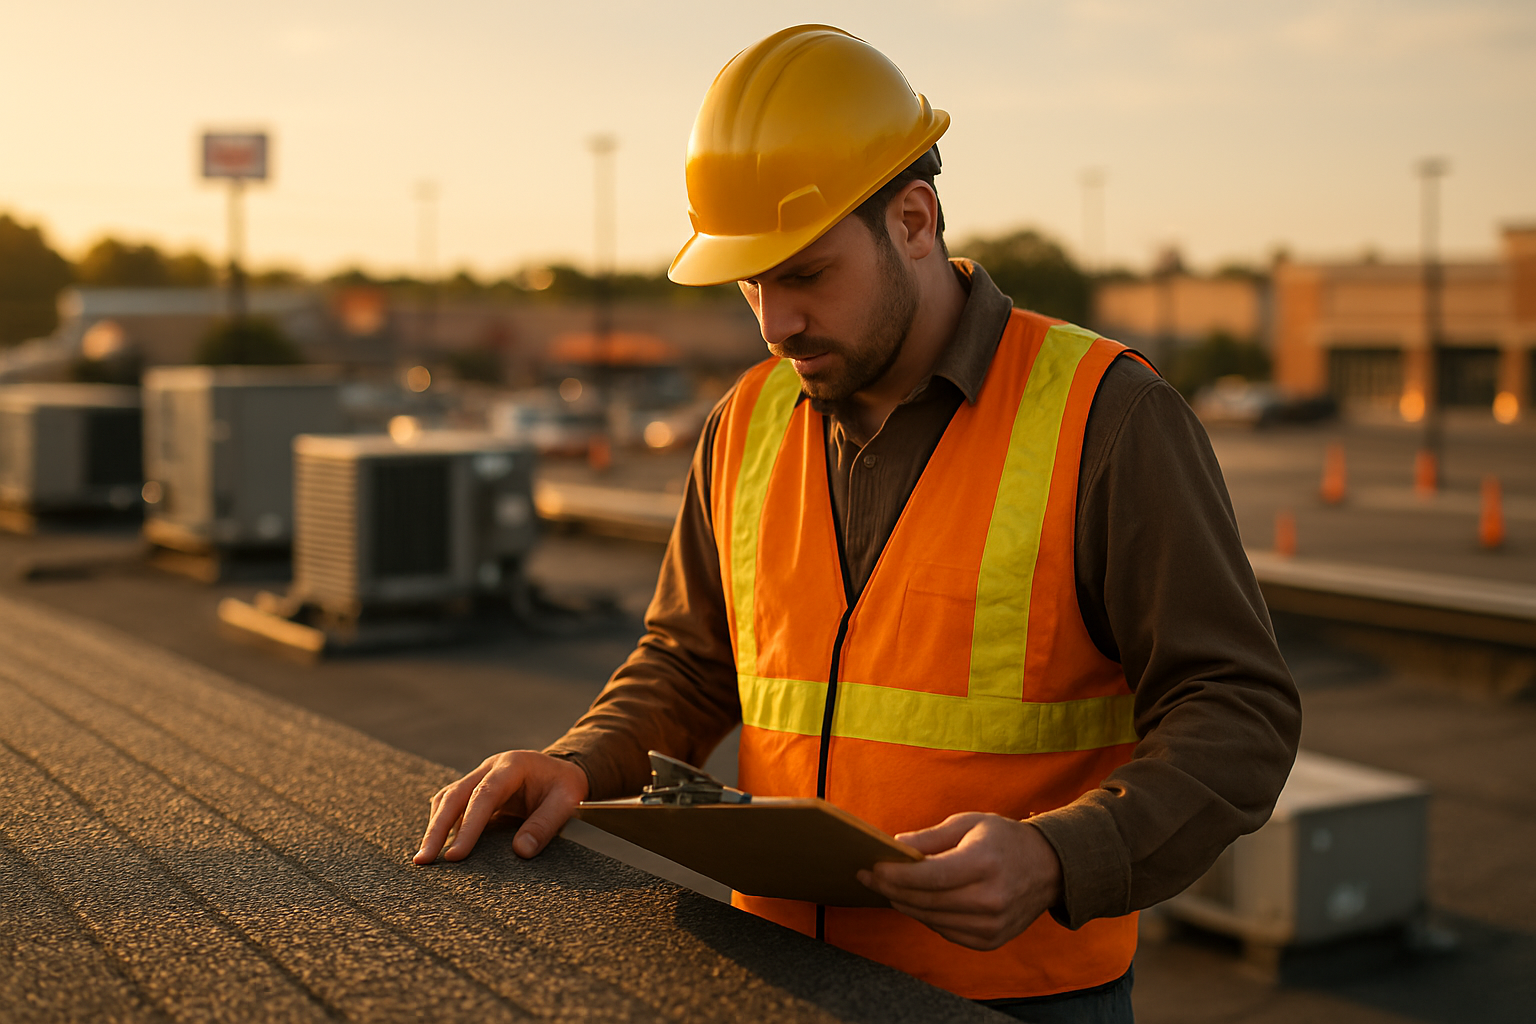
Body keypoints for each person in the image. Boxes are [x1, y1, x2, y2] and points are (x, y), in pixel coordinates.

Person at [415, 25, 1300, 1023]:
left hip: (1015, 997)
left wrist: (1063, 855)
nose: (772, 321)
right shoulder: (747, 419)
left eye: (803, 273)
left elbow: (1239, 711)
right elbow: (690, 661)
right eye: (751, 281)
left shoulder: (1107, 416)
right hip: (770, 970)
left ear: (914, 220)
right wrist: (580, 760)